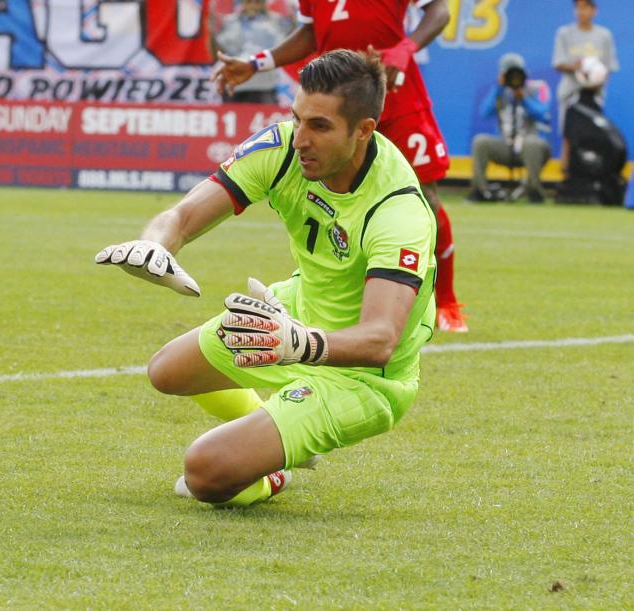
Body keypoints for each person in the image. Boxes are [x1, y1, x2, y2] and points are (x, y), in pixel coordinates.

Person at [96, 50, 436, 508]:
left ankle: (270, 469)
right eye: (297, 118)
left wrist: (301, 344)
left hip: (363, 376)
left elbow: (380, 339)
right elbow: (183, 215)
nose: (300, 140)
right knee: (167, 371)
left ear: (363, 130)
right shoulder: (282, 150)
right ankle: (275, 442)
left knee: (205, 473)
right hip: (292, 318)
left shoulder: (398, 210)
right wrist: (156, 244)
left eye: (319, 126)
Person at [211, 0, 468, 332]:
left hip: (396, 95)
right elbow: (309, 32)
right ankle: (340, 298)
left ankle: (446, 302)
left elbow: (440, 11)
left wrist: (405, 48)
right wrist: (258, 62)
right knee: (331, 198)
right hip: (332, 109)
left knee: (426, 199)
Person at [468, 53, 551, 204]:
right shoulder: (499, 91)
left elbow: (543, 115)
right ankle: (480, 191)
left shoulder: (535, 88)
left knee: (532, 143)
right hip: (505, 145)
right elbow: (484, 112)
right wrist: (498, 88)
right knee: (480, 142)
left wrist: (524, 99)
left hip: (529, 146)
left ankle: (535, 192)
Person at [556, 67, 628, 205]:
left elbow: (568, 140)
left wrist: (564, 166)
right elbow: (568, 140)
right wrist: (564, 165)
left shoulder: (583, 107)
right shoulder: (575, 107)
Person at [552, 0, 619, 135]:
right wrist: (575, 67)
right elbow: (558, 63)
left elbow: (610, 66)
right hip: (570, 94)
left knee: (592, 135)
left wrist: (597, 77)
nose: (581, 12)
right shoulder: (564, 33)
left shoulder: (604, 35)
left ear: (594, 10)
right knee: (568, 135)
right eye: (578, 8)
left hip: (595, 95)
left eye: (585, 7)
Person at [209, 0, 292, 104]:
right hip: (235, 84)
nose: (253, 5)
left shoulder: (276, 21)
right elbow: (220, 50)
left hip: (264, 85)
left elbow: (281, 47)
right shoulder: (229, 21)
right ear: (243, 3)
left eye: (257, 2)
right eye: (249, 1)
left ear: (263, 3)